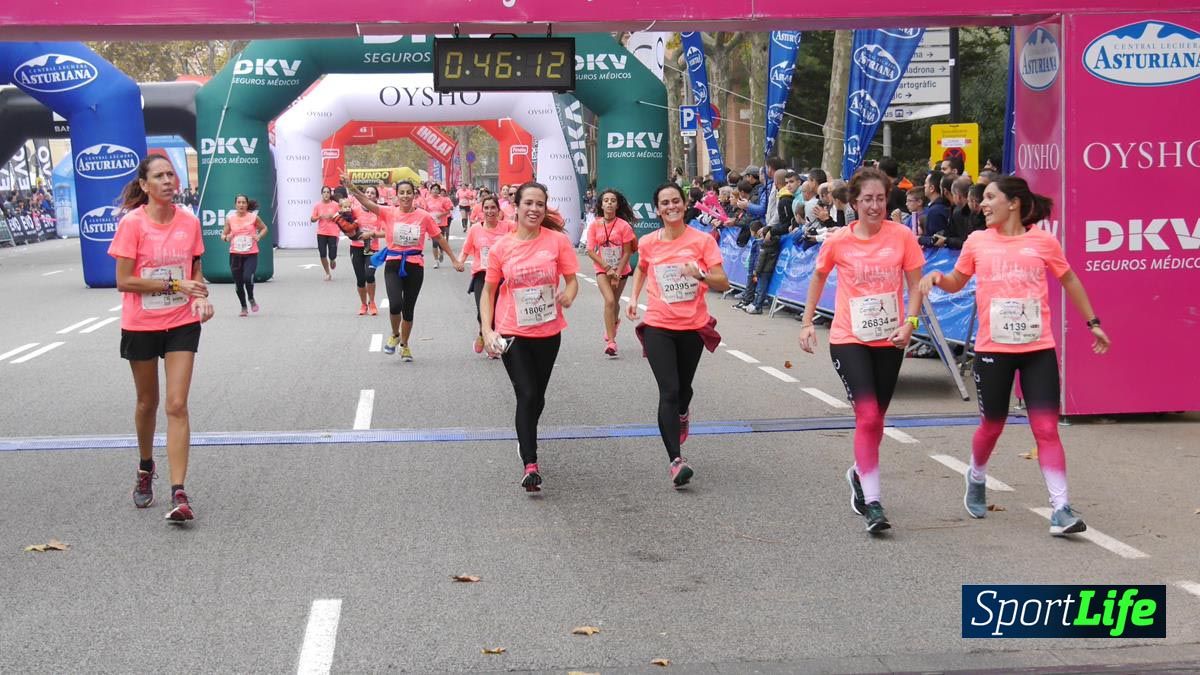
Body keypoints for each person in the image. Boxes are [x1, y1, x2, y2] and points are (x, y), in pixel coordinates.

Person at [918, 177, 1111, 536]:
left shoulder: (1042, 241)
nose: (983, 204)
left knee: (1046, 428)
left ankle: (1061, 508)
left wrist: (1093, 322)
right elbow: (958, 281)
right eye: (983, 198)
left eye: (991, 197)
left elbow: (1069, 280)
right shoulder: (977, 241)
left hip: (1038, 348)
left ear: (1014, 203)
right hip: (994, 349)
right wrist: (936, 278)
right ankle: (976, 476)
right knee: (993, 425)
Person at [798, 167, 924, 534]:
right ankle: (873, 502)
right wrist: (807, 323)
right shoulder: (839, 240)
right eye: (867, 199)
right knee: (868, 415)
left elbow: (916, 285)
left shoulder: (903, 237)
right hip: (849, 338)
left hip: (890, 339)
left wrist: (910, 323)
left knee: (876, 419)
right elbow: (819, 276)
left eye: (880, 199)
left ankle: (858, 471)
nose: (874, 205)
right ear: (854, 203)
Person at [108, 154, 214, 523]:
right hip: (140, 324)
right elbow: (124, 281)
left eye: (171, 174)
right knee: (146, 404)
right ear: (144, 185)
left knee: (176, 404)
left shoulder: (190, 223)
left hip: (181, 322)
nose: (168, 180)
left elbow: (195, 268)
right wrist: (173, 283)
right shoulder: (132, 225)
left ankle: (179, 492)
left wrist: (201, 298)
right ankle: (144, 465)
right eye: (159, 176)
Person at [625, 183, 729, 487]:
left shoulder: (702, 241)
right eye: (664, 203)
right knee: (668, 391)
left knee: (683, 390)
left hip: (693, 326)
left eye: (676, 201)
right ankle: (676, 460)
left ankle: (683, 412)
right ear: (657, 209)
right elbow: (642, 268)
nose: (671, 207)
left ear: (685, 205)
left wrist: (700, 275)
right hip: (658, 324)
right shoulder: (647, 242)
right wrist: (633, 298)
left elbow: (722, 282)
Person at [480, 182, 579, 492]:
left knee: (538, 396)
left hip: (548, 331)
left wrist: (568, 295)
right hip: (513, 331)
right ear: (517, 207)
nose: (535, 209)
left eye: (540, 204)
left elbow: (573, 281)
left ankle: (526, 437)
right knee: (526, 394)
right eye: (529, 203)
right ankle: (531, 464)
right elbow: (489, 291)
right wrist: (487, 329)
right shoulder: (501, 247)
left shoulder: (557, 242)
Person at [343, 175, 464, 360]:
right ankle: (394, 334)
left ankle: (405, 344)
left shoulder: (423, 216)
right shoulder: (388, 212)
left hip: (415, 266)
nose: (405, 196)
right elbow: (366, 201)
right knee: (395, 304)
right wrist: (350, 186)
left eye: (409, 193)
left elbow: (439, 238)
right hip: (393, 263)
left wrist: (454, 259)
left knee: (408, 309)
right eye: (402, 193)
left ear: (414, 195)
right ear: (396, 195)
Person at [585, 189, 637, 357]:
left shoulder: (624, 226)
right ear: (601, 204)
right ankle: (611, 342)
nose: (609, 203)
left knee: (615, 301)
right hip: (602, 268)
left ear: (617, 204)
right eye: (605, 200)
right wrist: (607, 268)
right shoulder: (595, 225)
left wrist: (617, 273)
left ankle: (613, 325)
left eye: (612, 200)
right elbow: (591, 251)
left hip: (621, 269)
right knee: (609, 300)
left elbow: (628, 252)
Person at [460, 195, 514, 353]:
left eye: (493, 208)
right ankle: (483, 332)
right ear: (482, 210)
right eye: (487, 208)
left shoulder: (509, 227)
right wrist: (460, 262)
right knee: (482, 310)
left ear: (499, 210)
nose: (490, 211)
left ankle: (492, 345)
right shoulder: (476, 229)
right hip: (482, 275)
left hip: (504, 276)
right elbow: (466, 248)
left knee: (498, 310)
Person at [220, 194, 268, 317]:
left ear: (247, 205)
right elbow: (223, 235)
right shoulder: (230, 219)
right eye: (239, 202)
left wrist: (258, 236)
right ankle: (243, 306)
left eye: (243, 203)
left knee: (247, 277)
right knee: (238, 283)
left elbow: (264, 228)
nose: (241, 205)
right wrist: (227, 238)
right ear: (235, 205)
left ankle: (251, 298)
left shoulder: (253, 217)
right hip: (235, 255)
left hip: (250, 254)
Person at [346, 185, 383, 315]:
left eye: (372, 193)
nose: (369, 194)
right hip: (356, 247)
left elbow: (385, 232)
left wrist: (372, 233)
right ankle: (363, 304)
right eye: (367, 192)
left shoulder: (379, 212)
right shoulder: (355, 210)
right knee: (361, 278)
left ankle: (372, 302)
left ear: (376, 197)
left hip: (371, 247)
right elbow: (347, 225)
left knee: (369, 275)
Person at [311, 186, 341, 280]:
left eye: (328, 192)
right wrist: (319, 216)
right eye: (324, 192)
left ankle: (332, 259)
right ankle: (327, 273)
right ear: (322, 194)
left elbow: (342, 217)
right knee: (322, 254)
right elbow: (312, 219)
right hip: (321, 232)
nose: (326, 194)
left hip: (333, 232)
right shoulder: (317, 205)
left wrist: (333, 216)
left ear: (330, 194)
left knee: (332, 255)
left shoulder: (335, 205)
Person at [423, 184, 454, 268]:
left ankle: (442, 251)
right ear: (431, 190)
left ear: (439, 191)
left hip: (441, 223)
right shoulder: (427, 200)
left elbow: (448, 211)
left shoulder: (443, 200)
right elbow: (424, 211)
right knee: (434, 242)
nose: (435, 191)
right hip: (432, 223)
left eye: (437, 189)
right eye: (433, 189)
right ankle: (436, 261)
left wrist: (441, 215)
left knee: (440, 240)